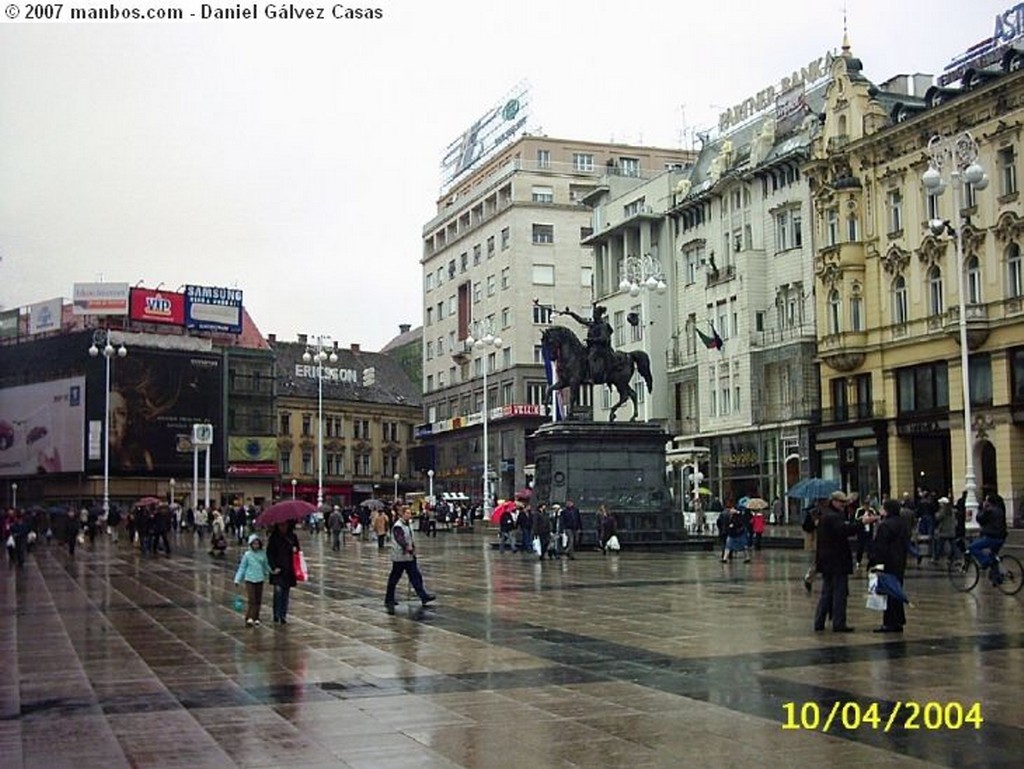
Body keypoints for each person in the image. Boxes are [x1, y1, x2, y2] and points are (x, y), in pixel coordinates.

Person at [813, 491, 860, 633]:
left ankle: (819, 622)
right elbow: (844, 530)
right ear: (834, 501)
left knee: (827, 592)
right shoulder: (833, 517)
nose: (843, 505)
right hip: (836, 561)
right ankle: (839, 623)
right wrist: (860, 523)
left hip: (826, 560)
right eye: (841, 502)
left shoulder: (825, 515)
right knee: (839, 592)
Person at [384, 506, 436, 611]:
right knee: (394, 578)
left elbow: (410, 537)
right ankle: (389, 598)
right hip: (400, 557)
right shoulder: (398, 526)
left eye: (409, 513)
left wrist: (413, 547)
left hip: (409, 556)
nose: (409, 515)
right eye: (407, 513)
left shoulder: (408, 524)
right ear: (402, 514)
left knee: (416, 576)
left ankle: (423, 596)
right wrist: (407, 547)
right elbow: (400, 539)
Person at [868, 499, 907, 633]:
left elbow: (880, 547)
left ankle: (889, 622)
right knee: (896, 590)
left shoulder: (885, 526)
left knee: (888, 591)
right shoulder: (902, 524)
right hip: (899, 561)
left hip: (887, 562)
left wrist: (876, 563)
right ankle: (898, 621)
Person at [563, 303, 615, 384]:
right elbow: (581, 320)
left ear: (599, 315)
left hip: (601, 348)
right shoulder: (592, 324)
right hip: (592, 347)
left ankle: (591, 376)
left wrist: (591, 340)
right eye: (593, 314)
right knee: (580, 356)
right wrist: (571, 314)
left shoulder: (603, 326)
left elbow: (603, 339)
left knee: (590, 357)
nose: (593, 316)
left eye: (595, 314)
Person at [108, 388, 155, 472]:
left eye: (120, 413)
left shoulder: (141, 458)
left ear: (128, 421)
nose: (112, 420)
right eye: (106, 412)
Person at [969, 492, 1008, 584]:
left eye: (986, 500)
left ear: (990, 502)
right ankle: (997, 578)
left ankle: (984, 562)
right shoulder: (1000, 509)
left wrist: (982, 508)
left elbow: (979, 518)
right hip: (1001, 537)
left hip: (992, 537)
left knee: (972, 547)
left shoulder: (989, 510)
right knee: (993, 556)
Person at [266, 521, 300, 624]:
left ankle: (283, 615)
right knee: (278, 591)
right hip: (278, 570)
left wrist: (295, 549)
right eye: (281, 525)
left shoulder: (292, 536)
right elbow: (269, 553)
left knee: (285, 593)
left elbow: (298, 550)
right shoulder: (274, 537)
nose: (283, 527)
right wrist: (273, 567)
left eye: (285, 524)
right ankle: (276, 614)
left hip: (289, 569)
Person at [234, 533, 271, 627]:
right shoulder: (247, 555)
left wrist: (271, 572)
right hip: (249, 579)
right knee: (252, 599)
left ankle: (256, 617)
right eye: (254, 543)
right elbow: (242, 567)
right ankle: (249, 617)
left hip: (259, 579)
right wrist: (237, 579)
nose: (256, 545)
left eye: (257, 543)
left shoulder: (262, 554)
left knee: (258, 599)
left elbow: (266, 566)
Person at [932, 496, 956, 564]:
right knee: (952, 545)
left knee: (940, 546)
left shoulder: (943, 510)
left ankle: (936, 558)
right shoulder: (951, 510)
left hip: (943, 530)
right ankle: (951, 558)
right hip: (951, 530)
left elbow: (938, 517)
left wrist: (936, 514)